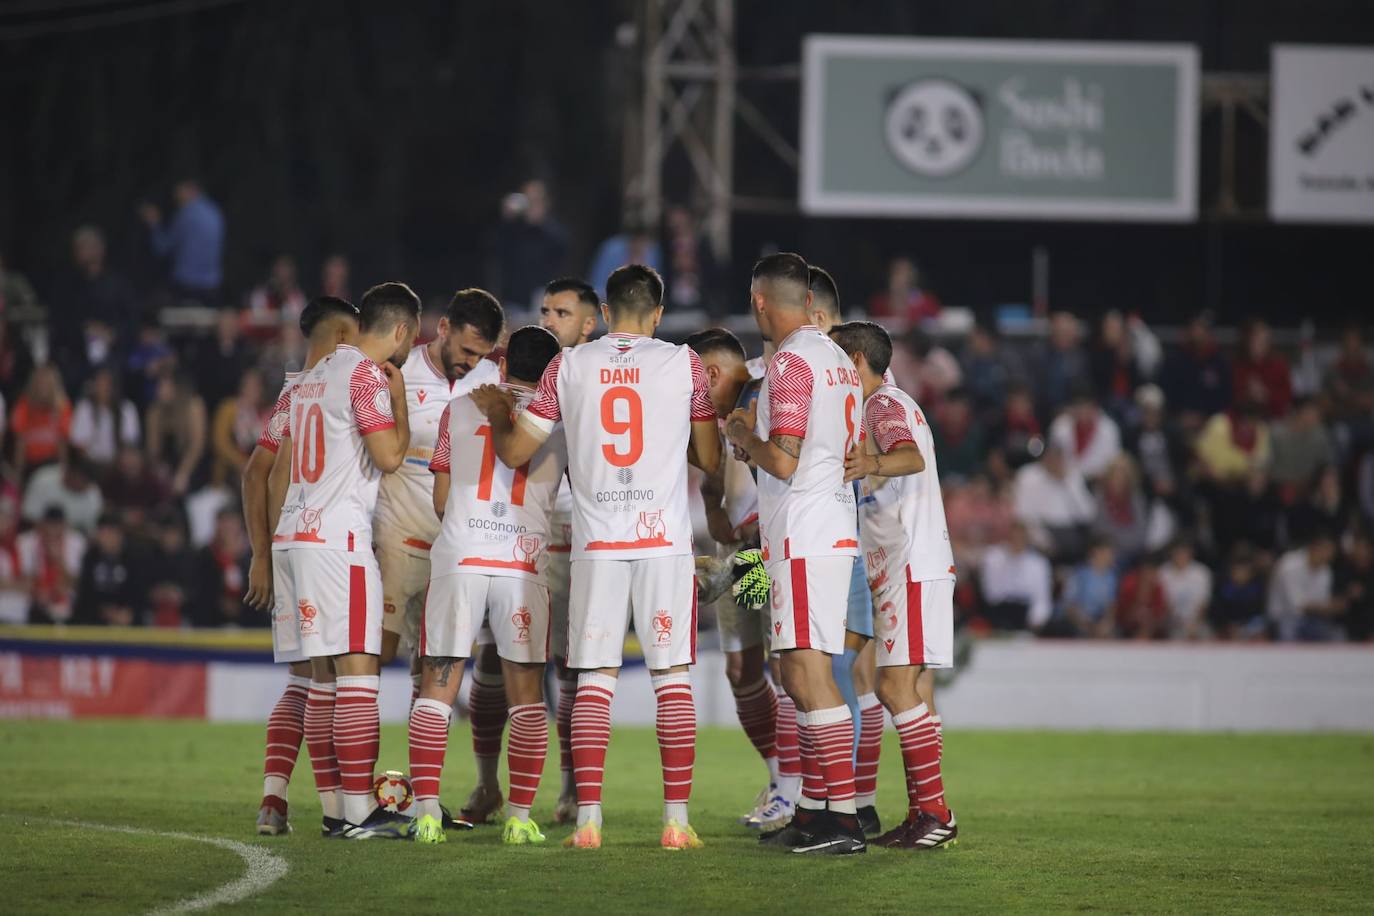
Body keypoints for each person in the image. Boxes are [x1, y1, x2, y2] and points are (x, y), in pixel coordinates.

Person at [475, 263, 720, 850]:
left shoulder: (568, 364)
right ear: (658, 315)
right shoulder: (683, 362)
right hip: (663, 540)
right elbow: (709, 458)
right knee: (672, 681)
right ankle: (676, 822)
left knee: (593, 683)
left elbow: (515, 453)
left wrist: (496, 413)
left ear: (606, 313)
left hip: (596, 542)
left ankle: (588, 819)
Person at [723, 252, 865, 855]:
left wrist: (741, 436)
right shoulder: (836, 357)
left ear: (760, 302)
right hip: (825, 527)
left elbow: (783, 458)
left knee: (807, 677)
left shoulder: (789, 364)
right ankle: (812, 810)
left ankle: (843, 817)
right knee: (796, 671)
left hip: (803, 534)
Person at [269, 282, 417, 839]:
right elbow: (390, 457)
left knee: (322, 680)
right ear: (400, 332)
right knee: (359, 675)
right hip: (338, 543)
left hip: (295, 535)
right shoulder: (362, 375)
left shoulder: (307, 379)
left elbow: (276, 464)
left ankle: (335, 810)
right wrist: (399, 403)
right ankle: (359, 812)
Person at [409, 325, 566, 847]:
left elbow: (439, 498)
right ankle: (520, 816)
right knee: (526, 698)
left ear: (502, 367)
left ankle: (427, 811)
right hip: (522, 563)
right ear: (554, 372)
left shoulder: (459, 407)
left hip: (462, 555)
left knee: (438, 685)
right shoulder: (561, 418)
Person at [372, 289, 503, 828]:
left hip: (458, 551)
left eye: (480, 355)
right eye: (465, 350)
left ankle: (419, 796)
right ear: (442, 327)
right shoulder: (395, 375)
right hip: (397, 538)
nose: (470, 363)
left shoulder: (491, 384)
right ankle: (352, 795)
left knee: (435, 676)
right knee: (368, 663)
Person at [830, 319, 959, 851]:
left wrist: (871, 462)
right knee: (899, 689)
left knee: (890, 688)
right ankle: (922, 813)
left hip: (909, 562)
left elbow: (910, 457)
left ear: (856, 362)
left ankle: (935, 814)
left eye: (838, 362)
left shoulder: (882, 404)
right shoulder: (885, 404)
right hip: (904, 564)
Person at [240, 296, 358, 837]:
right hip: (323, 544)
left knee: (302, 682)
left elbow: (255, 474)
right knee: (334, 682)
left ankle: (273, 800)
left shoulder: (292, 392)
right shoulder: (345, 383)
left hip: (286, 544)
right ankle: (339, 811)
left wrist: (262, 555)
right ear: (338, 336)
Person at [686, 326, 791, 829]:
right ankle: (779, 780)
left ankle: (802, 790)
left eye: (692, 382)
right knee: (743, 670)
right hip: (739, 552)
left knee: (787, 668)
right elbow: (709, 466)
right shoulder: (716, 415)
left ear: (709, 373)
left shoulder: (765, 390)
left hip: (771, 550)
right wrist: (711, 506)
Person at [535, 276, 601, 824]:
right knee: (541, 667)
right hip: (531, 537)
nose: (548, 319)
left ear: (590, 322)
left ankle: (575, 787)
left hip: (587, 535)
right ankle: (494, 786)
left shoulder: (599, 374)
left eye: (560, 311)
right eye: (544, 310)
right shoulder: (527, 370)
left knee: (577, 671)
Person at [139, 178, 225, 302]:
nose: (176, 197)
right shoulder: (215, 212)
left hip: (187, 286)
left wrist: (154, 223)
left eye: (178, 192)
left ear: (190, 190)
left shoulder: (186, 214)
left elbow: (162, 248)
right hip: (212, 285)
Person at [1012, 443, 1095, 562]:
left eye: (1058, 458)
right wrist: (1042, 540)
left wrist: (1067, 483)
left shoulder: (1073, 475)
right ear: (1044, 458)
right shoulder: (1028, 476)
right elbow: (1022, 514)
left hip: (1071, 533)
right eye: (1051, 458)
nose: (1055, 462)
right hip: (1041, 532)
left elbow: (1087, 514)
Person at [1160, 312, 1231, 431]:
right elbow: (1167, 392)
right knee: (1169, 427)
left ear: (1209, 333)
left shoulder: (1219, 363)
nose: (1198, 333)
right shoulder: (1175, 360)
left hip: (1209, 420)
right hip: (1179, 419)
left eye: (1202, 329)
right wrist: (1180, 414)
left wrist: (1204, 417)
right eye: (1195, 328)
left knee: (1220, 425)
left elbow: (1225, 398)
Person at [1267, 531, 1343, 642]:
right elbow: (1297, 605)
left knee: (1337, 634)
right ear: (1313, 548)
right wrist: (1329, 607)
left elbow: (1321, 604)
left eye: (1331, 551)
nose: (1329, 555)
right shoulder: (1289, 565)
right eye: (1325, 550)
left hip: (1311, 618)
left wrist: (1327, 607)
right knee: (1290, 628)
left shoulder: (1326, 571)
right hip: (1283, 617)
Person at [979, 522, 1053, 631]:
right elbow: (990, 594)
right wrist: (1009, 563)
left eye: (1020, 538)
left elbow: (1042, 600)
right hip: (999, 611)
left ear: (1027, 539)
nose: (1017, 541)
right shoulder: (993, 558)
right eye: (1013, 537)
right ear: (1007, 538)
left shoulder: (1039, 564)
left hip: (1026, 613)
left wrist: (1035, 621)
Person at [73, 514, 144, 626]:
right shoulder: (90, 558)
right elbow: (85, 594)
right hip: (95, 619)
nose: (106, 538)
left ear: (120, 534)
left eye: (110, 533)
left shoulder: (133, 558)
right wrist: (105, 612)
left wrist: (128, 612)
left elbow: (139, 593)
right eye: (102, 533)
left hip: (126, 618)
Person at [19, 507, 85, 624]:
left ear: (65, 525)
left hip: (65, 597)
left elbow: (78, 582)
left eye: (57, 526)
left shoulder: (77, 542)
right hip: (36, 598)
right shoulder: (26, 541)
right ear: (41, 525)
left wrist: (59, 561)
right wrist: (37, 590)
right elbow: (23, 577)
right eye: (50, 525)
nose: (53, 530)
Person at [70, 367, 141, 472]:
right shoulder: (84, 408)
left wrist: (118, 463)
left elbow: (130, 444)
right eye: (100, 384)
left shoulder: (127, 409)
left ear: (114, 387)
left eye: (107, 385)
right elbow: (79, 446)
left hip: (119, 467)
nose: (104, 389)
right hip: (90, 466)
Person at [1048, 385, 1122, 483]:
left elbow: (1114, 467)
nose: (1082, 411)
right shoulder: (1060, 426)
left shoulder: (1109, 429)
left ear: (1094, 407)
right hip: (1064, 482)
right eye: (1078, 406)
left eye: (1086, 406)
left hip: (1098, 485)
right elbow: (1052, 460)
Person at [11, 364, 73, 477]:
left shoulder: (62, 406)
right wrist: (18, 473)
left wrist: (63, 471)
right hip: (30, 463)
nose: (43, 387)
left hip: (52, 464)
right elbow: (20, 442)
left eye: (46, 384)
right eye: (40, 383)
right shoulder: (24, 404)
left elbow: (62, 442)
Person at [210, 369, 268, 486]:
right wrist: (242, 463)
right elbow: (220, 442)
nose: (254, 390)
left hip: (255, 476)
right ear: (242, 387)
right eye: (250, 385)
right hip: (229, 475)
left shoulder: (263, 413)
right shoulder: (229, 408)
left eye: (257, 386)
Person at [22, 455, 103, 535]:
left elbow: (93, 529)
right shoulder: (43, 479)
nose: (86, 488)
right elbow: (29, 517)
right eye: (84, 482)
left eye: (88, 484)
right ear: (71, 474)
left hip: (74, 540)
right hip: (38, 534)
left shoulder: (92, 493)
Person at [1055, 541, 1119, 638]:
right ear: (1096, 552)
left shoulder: (1111, 577)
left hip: (1096, 621)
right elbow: (1069, 607)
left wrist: (1107, 622)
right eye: (1108, 553)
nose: (1112, 557)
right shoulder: (1079, 575)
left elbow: (1110, 605)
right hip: (1077, 622)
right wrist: (1089, 626)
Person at [1233, 320, 1292, 420]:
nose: (1260, 344)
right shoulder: (1237, 366)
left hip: (1273, 419)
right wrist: (1248, 394)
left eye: (1264, 340)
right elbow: (1230, 398)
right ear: (1247, 341)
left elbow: (1286, 400)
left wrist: (1266, 395)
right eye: (1256, 339)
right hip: (1243, 419)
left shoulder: (1279, 366)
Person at [1160, 539, 1212, 640]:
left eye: (1184, 552)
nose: (1181, 556)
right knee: (1175, 635)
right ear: (1172, 553)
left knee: (1206, 635)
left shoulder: (1201, 572)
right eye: (1178, 553)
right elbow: (1164, 602)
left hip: (1197, 621)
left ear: (1191, 553)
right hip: (1172, 622)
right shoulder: (1163, 572)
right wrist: (1179, 622)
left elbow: (1204, 603)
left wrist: (1195, 624)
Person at [866, 256, 940, 323]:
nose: (899, 278)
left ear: (913, 277)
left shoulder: (927, 302)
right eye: (895, 272)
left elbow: (936, 325)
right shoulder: (878, 302)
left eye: (904, 273)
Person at [247, 255, 307, 320]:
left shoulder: (297, 296)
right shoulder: (263, 292)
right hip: (265, 328)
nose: (283, 273)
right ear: (274, 271)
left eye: (286, 269)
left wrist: (285, 298)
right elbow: (256, 315)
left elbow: (297, 317)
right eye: (281, 269)